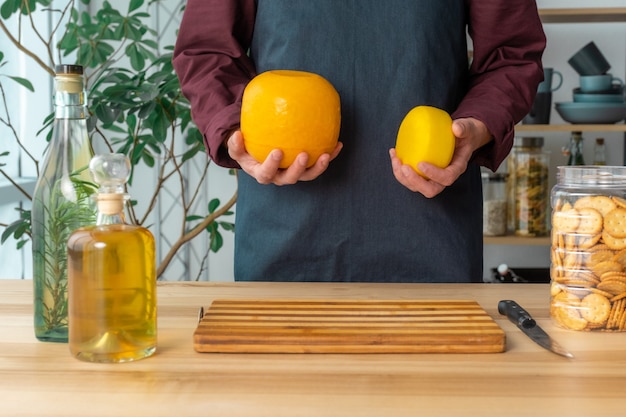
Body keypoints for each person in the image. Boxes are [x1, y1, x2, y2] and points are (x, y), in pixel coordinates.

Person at [173, 0, 546, 283]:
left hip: (430, 226)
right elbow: (208, 51)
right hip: (285, 222)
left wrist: (476, 127)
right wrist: (237, 131)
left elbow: (511, 54)